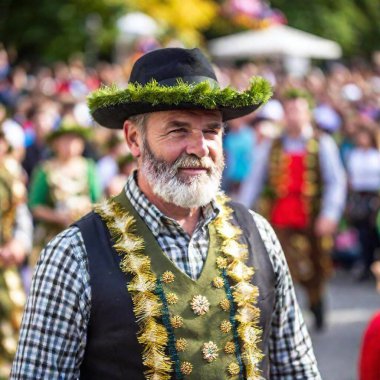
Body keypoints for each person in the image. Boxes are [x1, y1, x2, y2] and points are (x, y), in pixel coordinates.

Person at [11, 48, 321, 379]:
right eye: (178, 130)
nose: (200, 147)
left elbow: (296, 368)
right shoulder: (73, 252)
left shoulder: (258, 234)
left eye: (211, 130)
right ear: (134, 139)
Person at [239, 88, 347, 330]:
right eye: (289, 110)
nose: (293, 115)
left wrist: (330, 214)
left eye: (297, 109)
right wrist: (241, 213)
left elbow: (335, 182)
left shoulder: (323, 143)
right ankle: (285, 319)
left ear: (307, 113)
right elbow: (255, 180)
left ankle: (317, 302)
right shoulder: (272, 144)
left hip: (312, 217)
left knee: (315, 268)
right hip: (279, 217)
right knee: (278, 268)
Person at [28, 123, 101, 265]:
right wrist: (59, 217)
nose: (70, 146)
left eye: (74, 140)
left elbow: (97, 201)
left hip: (83, 234)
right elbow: (35, 206)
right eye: (65, 141)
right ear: (55, 144)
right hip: (52, 236)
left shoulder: (89, 168)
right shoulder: (45, 170)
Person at [0, 128, 32, 377]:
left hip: (5, 265)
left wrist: (19, 243)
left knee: (13, 318)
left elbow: (21, 214)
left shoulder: (10, 175)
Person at [346, 126, 380, 280]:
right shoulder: (354, 155)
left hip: (375, 196)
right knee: (363, 234)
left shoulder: (376, 155)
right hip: (359, 198)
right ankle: (366, 265)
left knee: (375, 233)